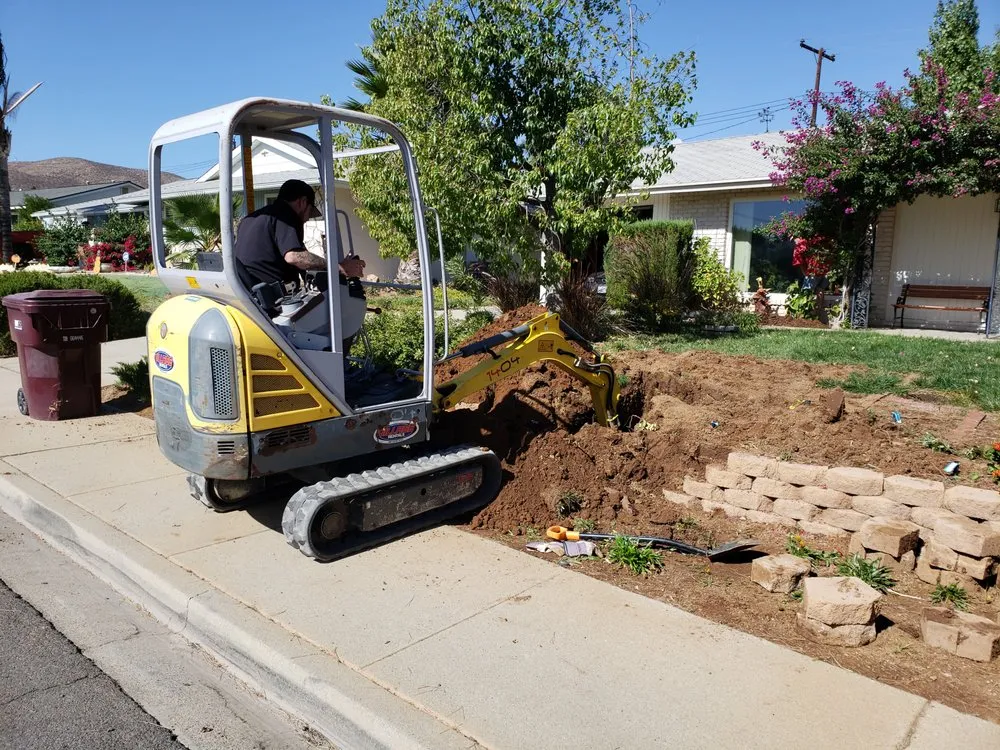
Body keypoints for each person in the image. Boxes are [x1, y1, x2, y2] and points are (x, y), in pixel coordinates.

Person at [234, 178, 365, 290]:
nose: (306, 219)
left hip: (247, 293)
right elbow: (294, 257)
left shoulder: (249, 220)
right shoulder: (285, 215)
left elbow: (298, 257)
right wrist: (337, 267)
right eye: (310, 212)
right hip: (273, 299)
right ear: (302, 202)